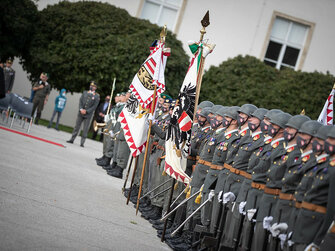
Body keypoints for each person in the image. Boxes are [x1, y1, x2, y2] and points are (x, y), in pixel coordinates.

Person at [67, 81, 100, 147]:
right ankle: (72, 139)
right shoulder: (85, 92)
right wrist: (81, 109)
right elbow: (80, 101)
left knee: (85, 129)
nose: (92, 87)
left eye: (93, 86)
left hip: (88, 114)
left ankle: (82, 142)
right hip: (81, 112)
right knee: (77, 127)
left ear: (95, 88)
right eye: (91, 86)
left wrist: (86, 111)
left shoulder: (96, 96)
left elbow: (94, 106)